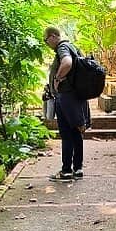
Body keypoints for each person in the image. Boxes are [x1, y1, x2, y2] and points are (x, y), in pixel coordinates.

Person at [43, 25, 90, 180]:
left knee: (67, 135)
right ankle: (77, 169)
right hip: (76, 97)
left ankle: (66, 170)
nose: (46, 44)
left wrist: (57, 79)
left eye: (46, 40)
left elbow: (67, 63)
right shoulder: (73, 47)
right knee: (76, 133)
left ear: (53, 36)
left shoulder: (62, 47)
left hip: (66, 98)